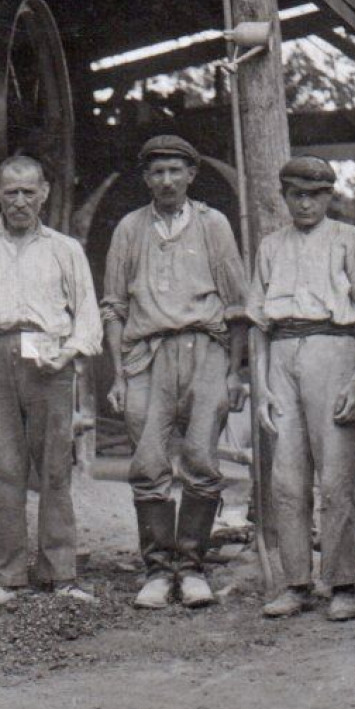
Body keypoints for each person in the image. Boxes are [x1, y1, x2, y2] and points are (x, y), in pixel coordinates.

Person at [100, 135, 247, 610]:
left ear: (191, 174)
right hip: (146, 353)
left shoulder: (213, 225)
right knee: (148, 465)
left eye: (175, 170)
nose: (166, 180)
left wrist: (235, 372)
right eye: (157, 172)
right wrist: (120, 375)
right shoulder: (129, 228)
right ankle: (158, 572)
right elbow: (114, 307)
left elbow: (237, 303)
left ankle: (192, 568)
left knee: (202, 462)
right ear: (146, 178)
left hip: (206, 349)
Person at [0, 153, 102, 608]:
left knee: (55, 468)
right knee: (3, 470)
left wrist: (70, 356)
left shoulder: (65, 249)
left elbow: (87, 315)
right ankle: (7, 578)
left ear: (44, 193)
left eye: (28, 191)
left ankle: (61, 575)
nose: (20, 201)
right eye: (11, 192)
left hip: (48, 358)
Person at [247, 156, 355, 621]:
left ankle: (342, 583)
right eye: (296, 195)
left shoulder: (349, 241)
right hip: (281, 355)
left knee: (336, 479)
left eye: (315, 195)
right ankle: (296, 582)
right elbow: (258, 325)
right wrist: (261, 387)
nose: (305, 203)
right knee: (285, 479)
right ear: (284, 197)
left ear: (329, 197)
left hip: (334, 351)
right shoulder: (269, 247)